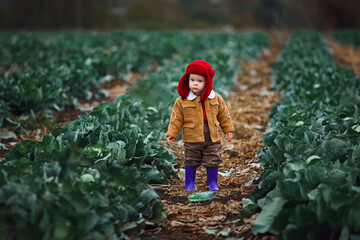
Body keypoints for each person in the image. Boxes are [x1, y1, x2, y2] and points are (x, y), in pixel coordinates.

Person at [166, 60, 234, 191]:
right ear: (187, 80)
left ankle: (212, 183)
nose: (195, 83)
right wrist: (172, 133)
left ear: (207, 82)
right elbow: (176, 119)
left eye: (199, 81)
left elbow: (224, 115)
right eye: (192, 80)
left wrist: (228, 130)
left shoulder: (216, 98)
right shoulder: (182, 101)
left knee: (213, 158)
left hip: (212, 136)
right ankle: (189, 183)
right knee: (191, 159)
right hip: (192, 138)